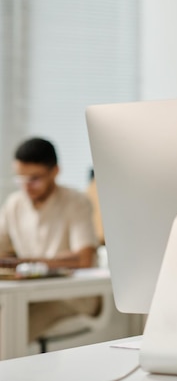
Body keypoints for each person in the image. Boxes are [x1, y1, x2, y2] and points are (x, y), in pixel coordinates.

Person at [0, 137, 100, 342]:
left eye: (34, 178)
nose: (26, 186)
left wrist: (25, 262)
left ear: (55, 171)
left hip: (71, 297)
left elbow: (83, 259)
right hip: (29, 293)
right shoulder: (14, 204)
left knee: (6, 332)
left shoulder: (76, 202)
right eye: (21, 178)